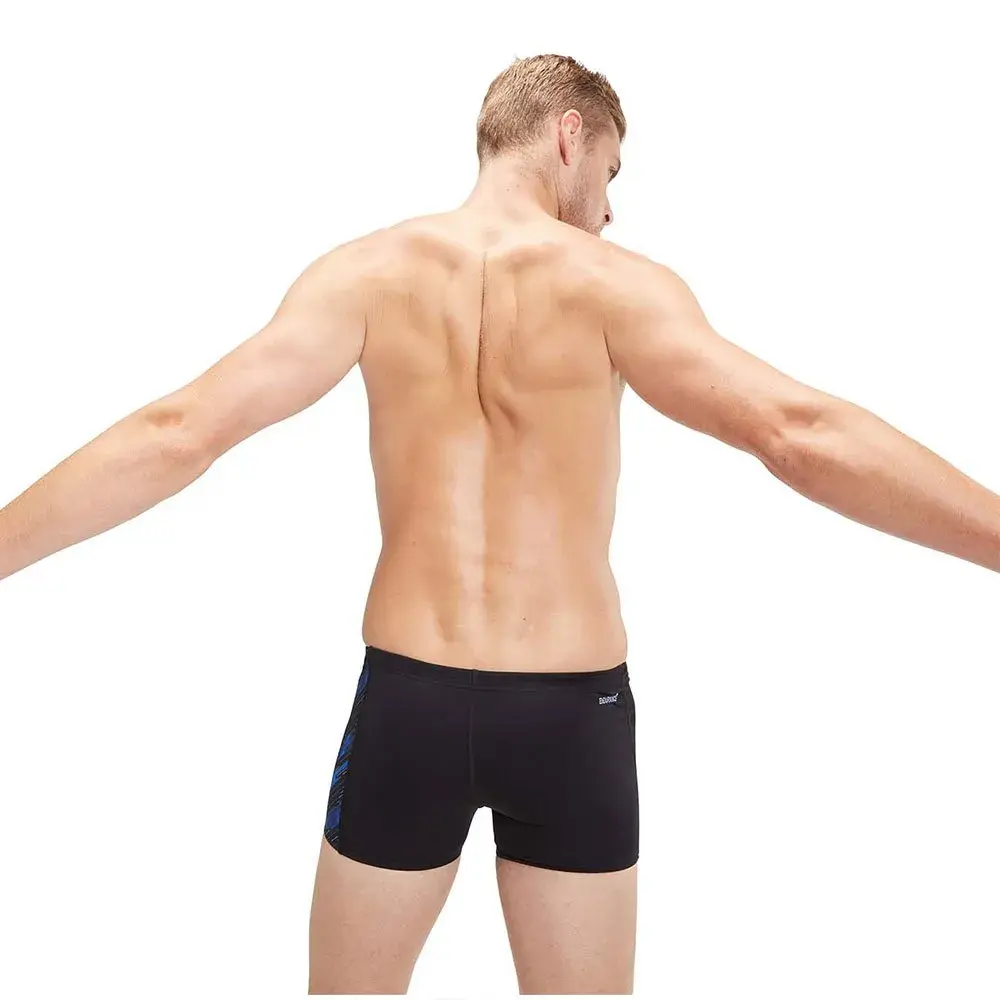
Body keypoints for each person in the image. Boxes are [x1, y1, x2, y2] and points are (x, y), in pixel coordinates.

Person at [1, 52, 998, 995]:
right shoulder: (617, 288)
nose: (608, 208)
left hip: (410, 703)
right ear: (568, 136)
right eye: (611, 171)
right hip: (573, 715)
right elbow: (798, 433)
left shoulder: (364, 275)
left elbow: (179, 432)